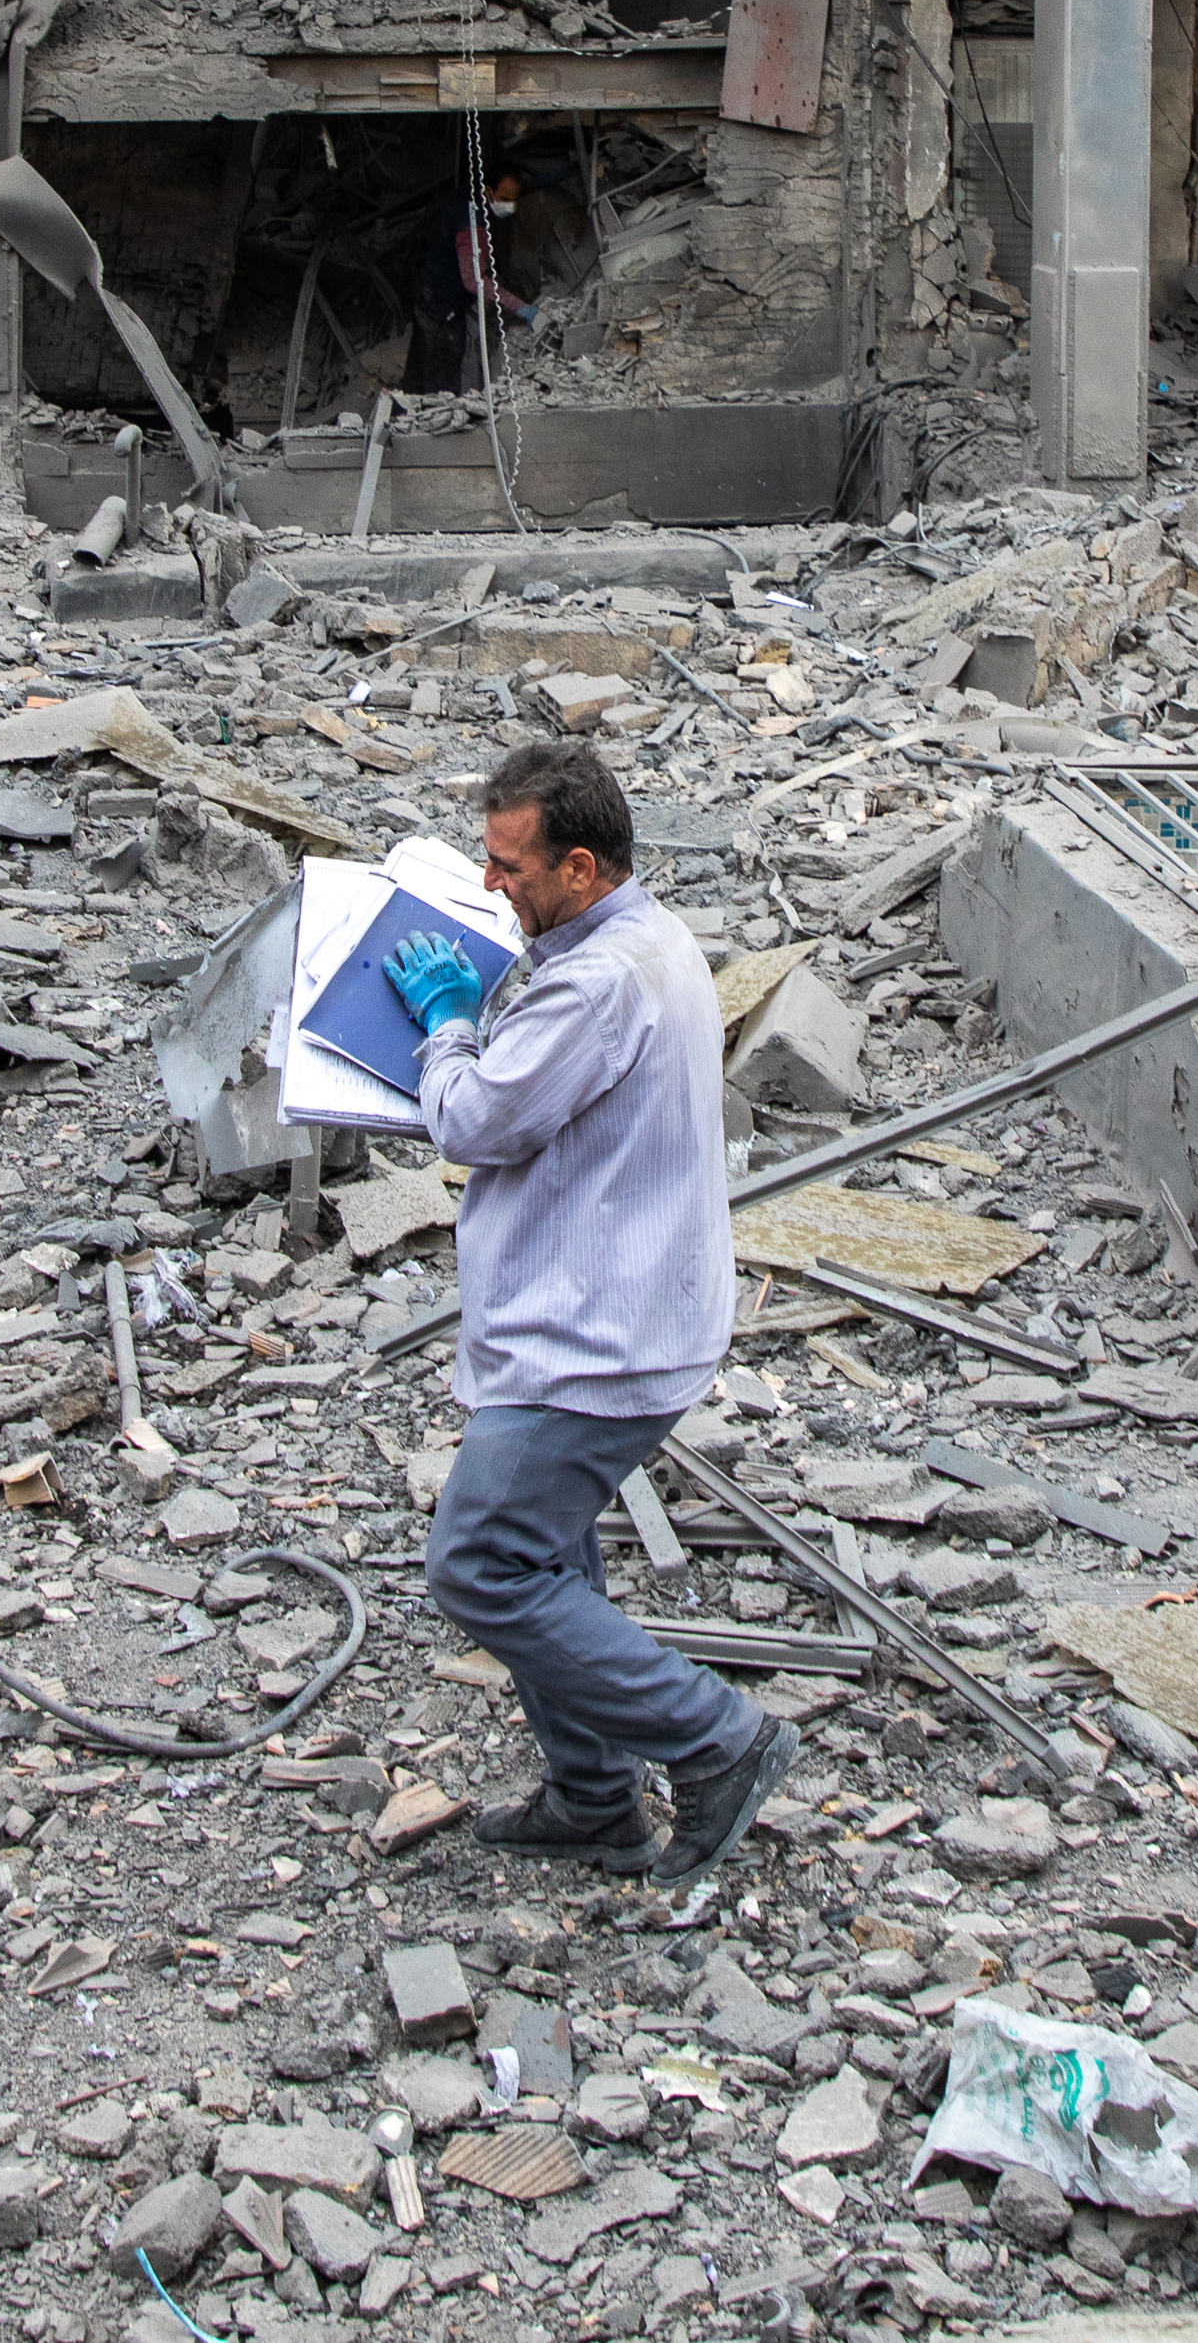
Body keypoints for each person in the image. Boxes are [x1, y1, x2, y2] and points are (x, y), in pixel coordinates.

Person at [375, 739, 794, 1882]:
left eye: (509, 867)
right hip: (622, 1304)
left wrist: (446, 1026)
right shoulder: (631, 936)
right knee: (544, 1554)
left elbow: (471, 1122)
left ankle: (719, 1739)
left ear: (579, 866)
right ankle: (595, 1798)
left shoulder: (596, 980)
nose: (490, 886)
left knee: (479, 1565)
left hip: (594, 1340)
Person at [405, 167, 531, 396]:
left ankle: (404, 408)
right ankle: (439, 418)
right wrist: (520, 306)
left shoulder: (472, 190)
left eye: (514, 199)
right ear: (489, 191)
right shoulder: (469, 224)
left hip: (429, 285)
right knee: (445, 364)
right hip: (440, 300)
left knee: (420, 358)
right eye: (505, 199)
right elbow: (473, 281)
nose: (509, 206)